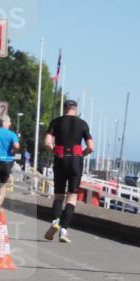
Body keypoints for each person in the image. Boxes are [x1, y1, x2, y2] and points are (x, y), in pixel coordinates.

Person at [43, 99, 94, 243]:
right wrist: (81, 155)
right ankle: (64, 231)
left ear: (64, 109)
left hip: (60, 158)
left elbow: (47, 142)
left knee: (59, 196)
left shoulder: (56, 122)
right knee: (72, 197)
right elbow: (91, 147)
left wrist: (56, 151)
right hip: (76, 161)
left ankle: (55, 222)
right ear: (75, 109)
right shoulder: (83, 124)